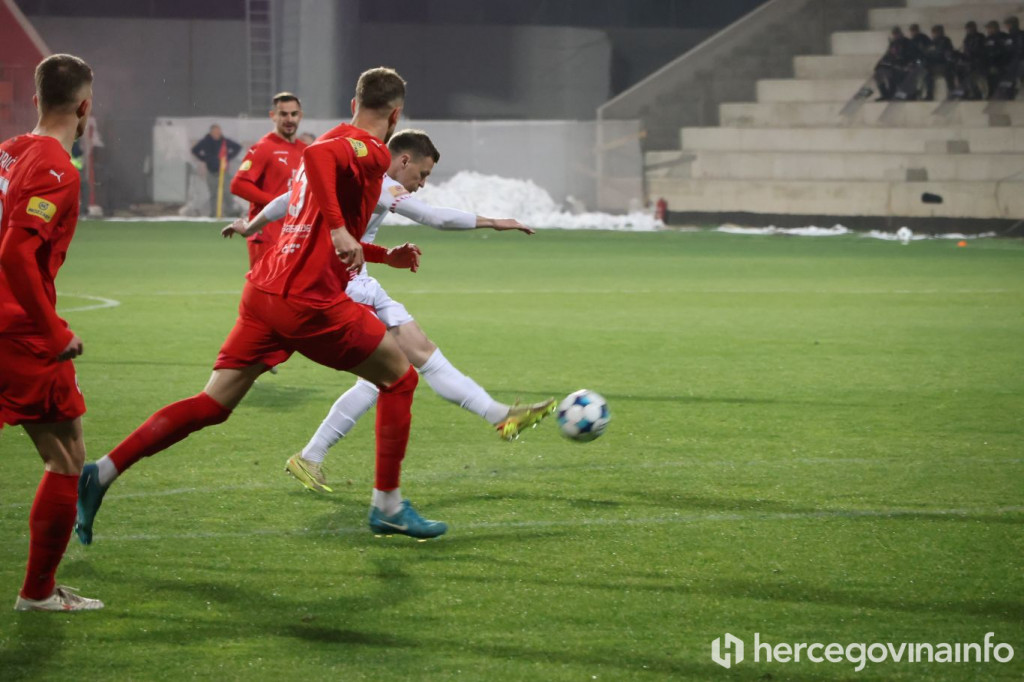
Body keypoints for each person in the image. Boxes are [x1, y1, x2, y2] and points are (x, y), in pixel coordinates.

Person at [75, 67, 448, 541]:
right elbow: (318, 166)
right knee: (400, 377)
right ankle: (388, 506)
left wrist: (379, 254)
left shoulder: (335, 140)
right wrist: (340, 229)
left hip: (266, 292)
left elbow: (313, 224)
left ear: (354, 103)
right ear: (396, 116)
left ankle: (103, 471)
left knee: (212, 404)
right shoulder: (367, 149)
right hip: (308, 301)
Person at [224, 129, 554, 493]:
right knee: (399, 367)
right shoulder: (379, 181)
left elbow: (287, 200)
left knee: (408, 359)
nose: (422, 184)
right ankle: (496, 419)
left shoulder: (348, 175)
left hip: (359, 282)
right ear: (404, 160)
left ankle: (311, 456)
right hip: (343, 286)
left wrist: (250, 226)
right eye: (422, 174)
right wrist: (494, 221)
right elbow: (433, 217)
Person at [0, 54, 103, 612]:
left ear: (37, 99)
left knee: (67, 448)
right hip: (18, 330)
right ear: (85, 106)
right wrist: (52, 330)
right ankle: (38, 592)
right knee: (66, 456)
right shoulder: (58, 169)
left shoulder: (8, 151)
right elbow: (15, 252)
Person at [229, 92, 307, 267]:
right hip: (267, 234)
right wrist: (276, 203)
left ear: (300, 116)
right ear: (273, 116)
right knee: (264, 284)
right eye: (283, 114)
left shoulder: (305, 150)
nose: (289, 119)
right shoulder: (264, 148)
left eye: (293, 114)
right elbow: (238, 185)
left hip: (295, 235)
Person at [191, 124, 241, 217]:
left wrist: (228, 157)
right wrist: (204, 159)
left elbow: (237, 147)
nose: (217, 134)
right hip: (211, 172)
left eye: (218, 132)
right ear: (211, 132)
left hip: (223, 171)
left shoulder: (225, 142)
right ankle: (214, 213)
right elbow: (195, 150)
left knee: (227, 192)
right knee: (213, 193)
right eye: (215, 132)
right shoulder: (206, 141)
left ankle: (230, 212)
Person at [874, 26, 917, 101]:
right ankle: (885, 94)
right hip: (893, 65)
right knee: (878, 74)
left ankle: (895, 94)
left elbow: (912, 55)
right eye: (894, 34)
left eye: (897, 34)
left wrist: (908, 65)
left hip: (904, 65)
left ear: (900, 33)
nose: (895, 36)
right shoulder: (893, 43)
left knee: (894, 74)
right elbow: (887, 55)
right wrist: (878, 65)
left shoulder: (907, 42)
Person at [954, 21, 987, 100]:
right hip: (969, 60)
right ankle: (964, 92)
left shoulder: (980, 37)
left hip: (978, 60)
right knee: (958, 69)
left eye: (970, 29)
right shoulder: (967, 38)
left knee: (970, 71)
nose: (969, 31)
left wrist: (968, 55)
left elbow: (979, 51)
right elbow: (966, 51)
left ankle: (976, 93)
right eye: (968, 29)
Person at [923, 25, 956, 100]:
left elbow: (943, 53)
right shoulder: (932, 42)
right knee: (927, 74)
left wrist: (933, 55)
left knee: (949, 74)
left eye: (935, 32)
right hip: (934, 66)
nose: (933, 34)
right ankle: (929, 94)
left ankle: (952, 92)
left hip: (944, 64)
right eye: (933, 32)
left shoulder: (945, 41)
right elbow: (927, 53)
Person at [983, 20, 1010, 98]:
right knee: (991, 83)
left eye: (989, 28)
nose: (988, 30)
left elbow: (1006, 51)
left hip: (1001, 65)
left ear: (994, 28)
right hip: (990, 65)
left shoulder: (1004, 37)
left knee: (1002, 83)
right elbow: (985, 52)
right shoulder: (988, 39)